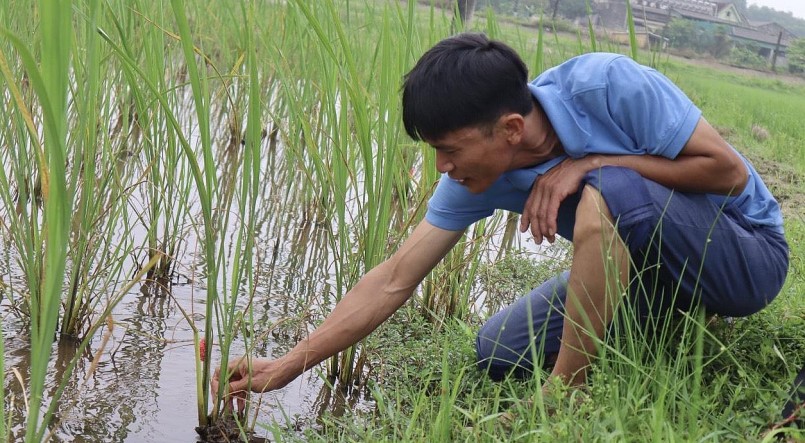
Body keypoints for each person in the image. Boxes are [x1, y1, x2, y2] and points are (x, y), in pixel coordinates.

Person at [213, 33, 789, 408]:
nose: (442, 166)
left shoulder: (607, 84)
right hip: (646, 274)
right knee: (496, 352)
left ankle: (564, 392)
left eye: (449, 148)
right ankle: (673, 320)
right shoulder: (476, 173)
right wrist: (287, 365)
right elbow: (394, 277)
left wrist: (588, 164)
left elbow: (727, 172)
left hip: (747, 256)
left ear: (511, 129)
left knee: (606, 190)